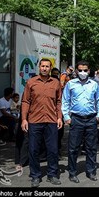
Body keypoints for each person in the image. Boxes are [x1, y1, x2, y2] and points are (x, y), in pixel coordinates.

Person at [21, 58, 63, 187]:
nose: (44, 68)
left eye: (47, 66)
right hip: (34, 121)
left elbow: (59, 102)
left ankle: (52, 174)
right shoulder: (31, 82)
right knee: (33, 149)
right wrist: (24, 119)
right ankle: (35, 175)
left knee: (53, 149)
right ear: (39, 67)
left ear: (50, 68)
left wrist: (59, 117)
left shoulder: (56, 83)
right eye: (42, 66)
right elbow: (25, 101)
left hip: (51, 121)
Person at [62, 60, 99, 183]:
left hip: (91, 119)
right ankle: (72, 172)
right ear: (76, 71)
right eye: (80, 70)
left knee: (91, 147)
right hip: (76, 119)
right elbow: (65, 101)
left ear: (89, 71)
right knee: (73, 148)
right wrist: (66, 117)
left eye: (85, 70)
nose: (82, 72)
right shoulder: (70, 84)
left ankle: (91, 171)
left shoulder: (94, 84)